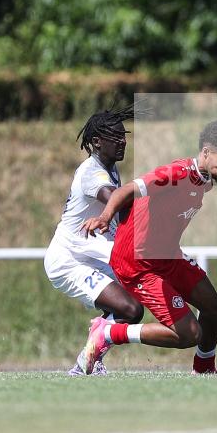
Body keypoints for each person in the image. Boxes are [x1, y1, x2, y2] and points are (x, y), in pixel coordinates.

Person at [80, 119, 217, 374]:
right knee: (189, 334)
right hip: (137, 262)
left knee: (214, 307)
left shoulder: (206, 180)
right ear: (206, 153)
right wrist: (104, 217)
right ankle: (110, 332)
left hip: (167, 256)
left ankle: (204, 370)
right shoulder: (174, 174)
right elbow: (126, 192)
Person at [43, 106, 144, 376]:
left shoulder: (109, 169)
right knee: (130, 308)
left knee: (134, 308)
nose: (123, 141)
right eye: (115, 136)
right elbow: (116, 199)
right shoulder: (93, 173)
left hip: (92, 256)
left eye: (124, 135)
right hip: (68, 261)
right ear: (97, 142)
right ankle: (86, 359)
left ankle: (88, 357)